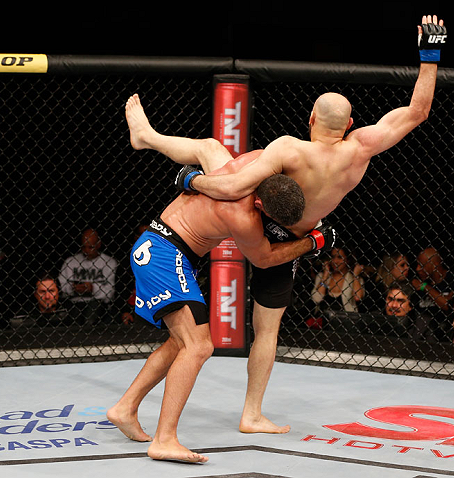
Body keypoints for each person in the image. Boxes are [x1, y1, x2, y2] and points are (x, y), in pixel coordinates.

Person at [136, 14, 446, 433]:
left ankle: (150, 139)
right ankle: (251, 413)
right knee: (266, 330)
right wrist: (430, 53)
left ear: (312, 119)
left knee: (211, 152)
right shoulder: (360, 151)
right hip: (291, 240)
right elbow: (418, 110)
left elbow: (234, 189)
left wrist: (191, 180)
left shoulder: (290, 148)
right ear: (350, 125)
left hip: (251, 217)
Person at [107, 122, 335, 463]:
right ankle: (164, 439)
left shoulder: (254, 164)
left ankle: (125, 408)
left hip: (167, 252)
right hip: (165, 255)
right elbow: (265, 257)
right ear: (259, 203)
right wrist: (311, 242)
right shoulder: (240, 213)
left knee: (179, 343)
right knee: (199, 346)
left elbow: (208, 148)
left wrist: (190, 178)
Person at [59, 228, 118, 325]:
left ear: (98, 244)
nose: (86, 251)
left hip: (97, 303)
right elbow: (61, 288)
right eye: (83, 247)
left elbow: (111, 292)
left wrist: (93, 288)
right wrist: (73, 288)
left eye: (90, 247)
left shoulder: (110, 262)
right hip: (74, 303)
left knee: (93, 312)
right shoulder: (70, 262)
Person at [409, 246, 454, 342]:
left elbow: (447, 304)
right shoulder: (420, 283)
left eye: (422, 265)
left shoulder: (453, 280)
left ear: (435, 265)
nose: (417, 269)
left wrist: (424, 287)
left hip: (444, 336)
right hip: (420, 336)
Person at [311, 247, 364, 317]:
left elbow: (358, 297)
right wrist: (325, 275)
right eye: (333, 257)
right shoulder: (322, 276)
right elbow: (317, 298)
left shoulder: (353, 279)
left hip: (347, 321)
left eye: (340, 257)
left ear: (347, 260)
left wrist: (355, 276)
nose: (335, 261)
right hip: (323, 320)